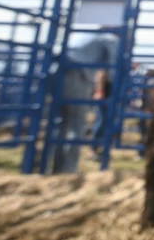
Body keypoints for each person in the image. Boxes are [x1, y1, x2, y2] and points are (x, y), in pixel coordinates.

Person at [48, 28, 120, 174]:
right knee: (77, 123)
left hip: (53, 69)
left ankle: (47, 166)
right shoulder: (111, 38)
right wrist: (116, 91)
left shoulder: (82, 35)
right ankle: (67, 170)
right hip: (75, 73)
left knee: (58, 123)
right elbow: (113, 67)